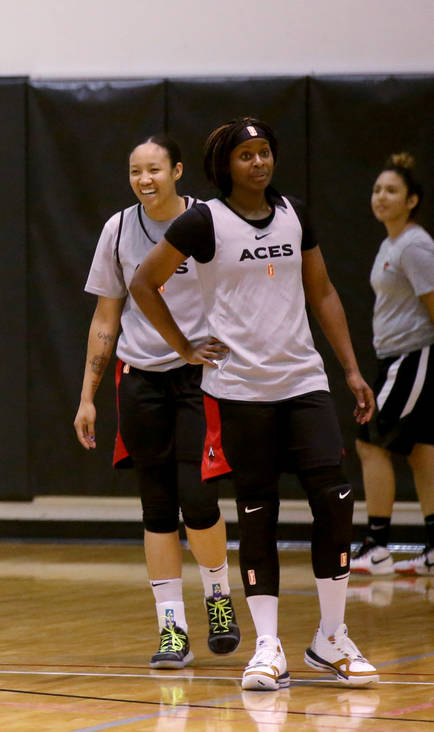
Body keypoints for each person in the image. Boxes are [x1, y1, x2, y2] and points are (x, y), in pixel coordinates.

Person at [130, 117, 379, 690]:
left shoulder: (294, 212)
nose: (259, 163)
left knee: (336, 501)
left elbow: (322, 290)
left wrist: (350, 368)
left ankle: (331, 638)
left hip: (304, 383)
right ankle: (268, 646)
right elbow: (145, 283)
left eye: (265, 152)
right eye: (247, 155)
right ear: (225, 165)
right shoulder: (204, 222)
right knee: (258, 512)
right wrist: (184, 347)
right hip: (239, 391)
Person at [74, 135, 240, 669]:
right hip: (139, 379)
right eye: (135, 171)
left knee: (199, 499)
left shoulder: (207, 222)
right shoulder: (118, 229)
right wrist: (87, 397)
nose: (145, 179)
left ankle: (218, 599)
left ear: (177, 171)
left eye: (154, 170)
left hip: (198, 380)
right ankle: (171, 627)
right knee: (157, 508)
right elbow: (105, 317)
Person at [352, 153, 434, 576]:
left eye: (391, 191)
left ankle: (378, 546)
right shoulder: (391, 242)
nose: (381, 197)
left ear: (412, 200)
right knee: (421, 451)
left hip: (413, 356)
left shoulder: (415, 246)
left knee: (370, 442)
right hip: (395, 357)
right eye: (377, 189)